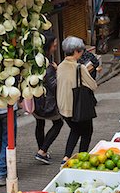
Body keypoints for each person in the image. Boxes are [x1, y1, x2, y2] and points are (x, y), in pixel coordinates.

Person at [57, 37, 97, 165]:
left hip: (63, 107)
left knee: (75, 130)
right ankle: (81, 158)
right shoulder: (79, 67)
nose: (81, 53)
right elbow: (93, 85)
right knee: (87, 132)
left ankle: (66, 157)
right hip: (78, 107)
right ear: (75, 51)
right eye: (80, 51)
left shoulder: (60, 66)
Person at [34, 32, 63, 164]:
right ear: (48, 46)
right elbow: (53, 85)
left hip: (37, 100)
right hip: (47, 102)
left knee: (40, 123)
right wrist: (59, 72)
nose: (55, 48)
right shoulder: (48, 64)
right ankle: (42, 151)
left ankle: (41, 150)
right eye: (54, 45)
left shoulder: (36, 60)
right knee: (58, 123)